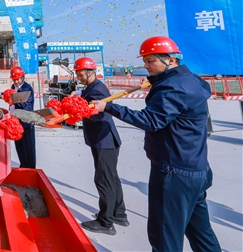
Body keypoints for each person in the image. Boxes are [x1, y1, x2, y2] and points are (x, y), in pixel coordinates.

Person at [92, 36, 221, 252]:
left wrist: (108, 107)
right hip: (197, 169)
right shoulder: (191, 80)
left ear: (170, 59)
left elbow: (151, 121)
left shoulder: (172, 88)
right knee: (201, 234)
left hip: (173, 173)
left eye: (150, 60)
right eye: (144, 61)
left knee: (164, 238)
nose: (146, 66)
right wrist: (157, 80)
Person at [74, 57, 127, 236]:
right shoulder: (91, 87)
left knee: (104, 180)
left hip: (104, 141)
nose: (79, 77)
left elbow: (98, 115)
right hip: (102, 140)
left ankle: (106, 222)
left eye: (81, 74)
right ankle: (119, 213)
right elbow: (84, 97)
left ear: (90, 72)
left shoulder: (98, 90)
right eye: (77, 74)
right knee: (112, 178)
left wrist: (78, 111)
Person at [9, 66, 36, 168]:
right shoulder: (13, 87)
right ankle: (23, 166)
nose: (16, 82)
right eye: (14, 80)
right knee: (19, 147)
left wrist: (14, 99)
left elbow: (26, 105)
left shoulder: (27, 89)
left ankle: (31, 169)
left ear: (23, 77)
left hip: (26, 122)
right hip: (16, 123)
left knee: (29, 148)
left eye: (18, 79)